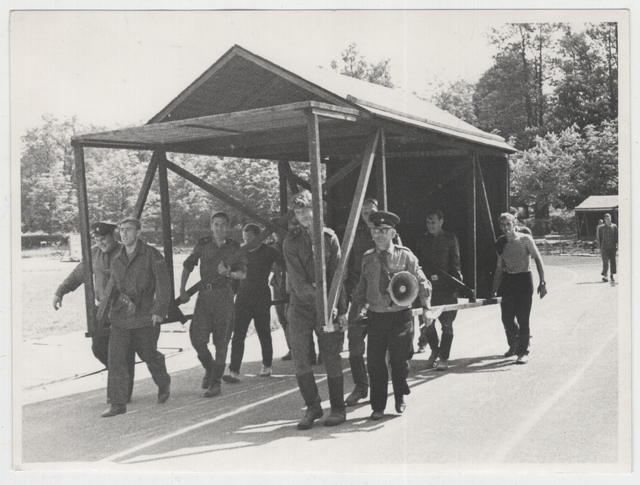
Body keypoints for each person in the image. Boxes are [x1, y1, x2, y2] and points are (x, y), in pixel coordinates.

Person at [353, 211, 432, 420]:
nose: (380, 234)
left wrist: (426, 308)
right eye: (376, 230)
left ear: (393, 232)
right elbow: (362, 286)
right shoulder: (367, 258)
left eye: (385, 230)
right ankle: (378, 406)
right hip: (376, 317)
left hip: (400, 316)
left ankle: (399, 396)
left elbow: (422, 282)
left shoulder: (405, 255)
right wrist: (353, 310)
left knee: (399, 361)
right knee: (375, 363)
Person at [283, 190, 348, 429]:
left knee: (331, 356)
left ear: (316, 209)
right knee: (300, 356)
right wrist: (319, 295)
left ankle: (338, 408)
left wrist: (340, 309)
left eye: (306, 209)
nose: (302, 215)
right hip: (301, 306)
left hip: (328, 304)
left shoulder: (329, 238)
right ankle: (312, 406)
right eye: (298, 211)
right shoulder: (290, 241)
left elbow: (338, 275)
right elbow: (298, 283)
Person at [53, 222, 136, 401]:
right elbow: (78, 274)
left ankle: (123, 391)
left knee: (123, 351)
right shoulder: (93, 253)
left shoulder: (125, 252)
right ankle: (121, 378)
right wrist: (61, 291)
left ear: (113, 236)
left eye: (104, 238)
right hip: (102, 311)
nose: (101, 242)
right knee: (98, 348)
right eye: (97, 239)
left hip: (123, 309)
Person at [102, 217, 172, 417]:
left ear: (139, 232)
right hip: (121, 316)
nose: (124, 234)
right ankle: (118, 404)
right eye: (121, 230)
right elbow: (114, 287)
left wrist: (159, 310)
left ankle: (163, 381)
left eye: (129, 230)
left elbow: (163, 284)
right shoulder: (117, 258)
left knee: (148, 354)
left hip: (145, 315)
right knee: (115, 358)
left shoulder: (151, 255)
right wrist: (107, 312)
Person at [180, 211, 247, 398]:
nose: (219, 228)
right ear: (211, 226)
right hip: (204, 296)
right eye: (216, 224)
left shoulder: (234, 247)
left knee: (221, 341)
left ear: (228, 227)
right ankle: (210, 369)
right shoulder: (203, 244)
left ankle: (215, 383)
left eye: (223, 225)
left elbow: (242, 274)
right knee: (197, 339)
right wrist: (182, 289)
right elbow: (188, 264)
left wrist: (229, 274)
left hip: (224, 295)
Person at [225, 224, 281, 382]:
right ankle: (233, 370)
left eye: (250, 239)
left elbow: (283, 264)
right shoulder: (242, 253)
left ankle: (267, 365)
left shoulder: (269, 252)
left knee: (263, 331)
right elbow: (234, 277)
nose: (247, 242)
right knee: (238, 334)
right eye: (244, 239)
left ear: (259, 237)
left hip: (262, 296)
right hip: (243, 297)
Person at [490, 212, 547, 364]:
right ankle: (517, 343)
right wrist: (493, 289)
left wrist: (543, 283)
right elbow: (499, 268)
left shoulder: (525, 239)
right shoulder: (500, 242)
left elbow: (538, 259)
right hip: (508, 281)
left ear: (514, 224)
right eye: (502, 225)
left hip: (524, 280)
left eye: (508, 224)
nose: (505, 228)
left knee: (523, 319)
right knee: (507, 319)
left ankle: (523, 351)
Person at [416, 210, 462, 371]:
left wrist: (457, 286)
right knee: (428, 324)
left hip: (447, 288)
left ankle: (443, 358)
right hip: (429, 289)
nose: (430, 226)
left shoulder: (450, 239)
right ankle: (435, 350)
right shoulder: (422, 239)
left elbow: (455, 264)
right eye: (428, 223)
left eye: (433, 222)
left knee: (447, 325)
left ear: (441, 222)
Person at [343, 197, 379, 406]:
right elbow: (346, 268)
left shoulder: (388, 233)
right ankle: (360, 387)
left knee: (380, 346)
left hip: (382, 299)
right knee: (355, 343)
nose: (367, 215)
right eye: (364, 212)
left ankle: (379, 387)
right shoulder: (353, 236)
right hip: (360, 297)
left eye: (371, 211)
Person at [597, 213, 618, 282]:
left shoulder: (614, 226)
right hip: (604, 247)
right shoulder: (601, 228)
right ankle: (605, 276)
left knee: (613, 261)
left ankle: (612, 275)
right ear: (605, 220)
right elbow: (600, 238)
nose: (609, 220)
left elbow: (616, 236)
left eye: (610, 218)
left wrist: (617, 245)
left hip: (612, 247)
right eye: (607, 219)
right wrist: (600, 247)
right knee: (605, 262)